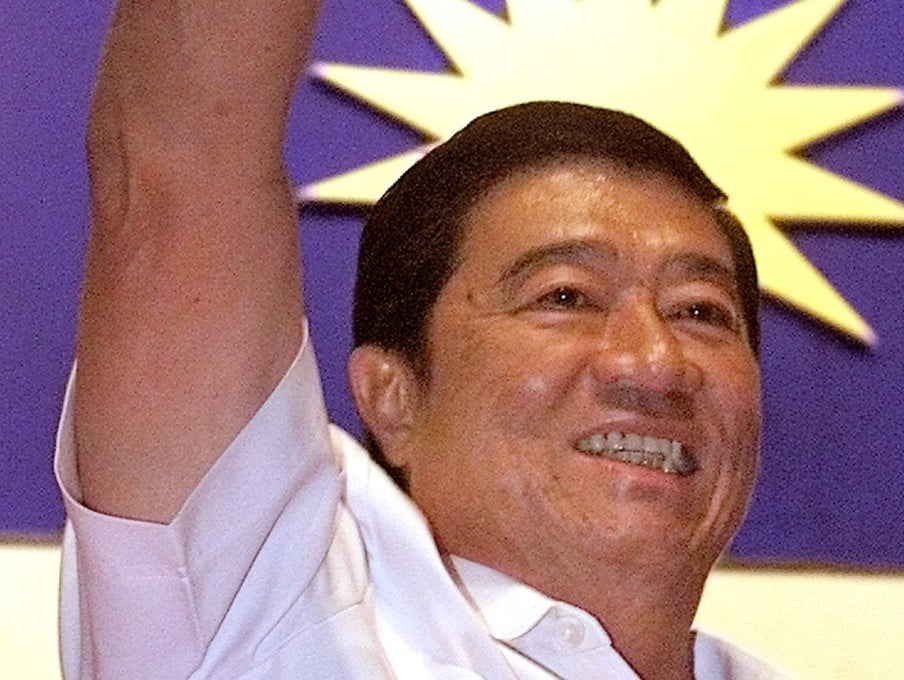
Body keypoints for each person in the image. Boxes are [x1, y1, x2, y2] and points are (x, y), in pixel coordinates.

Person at [57, 1, 783, 678]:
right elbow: (174, 164)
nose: (654, 362)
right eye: (565, 297)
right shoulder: (261, 614)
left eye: (700, 312)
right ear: (394, 399)